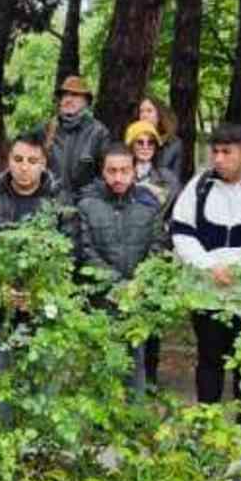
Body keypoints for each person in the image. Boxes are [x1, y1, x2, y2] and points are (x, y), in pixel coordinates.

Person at [169, 123, 241, 404]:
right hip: (207, 293)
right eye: (215, 151)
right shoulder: (199, 185)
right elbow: (182, 231)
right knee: (209, 358)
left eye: (226, 152)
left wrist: (236, 267)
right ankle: (207, 421)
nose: (218, 158)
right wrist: (209, 266)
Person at [74, 143, 164, 389]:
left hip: (137, 297)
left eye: (124, 170)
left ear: (134, 171)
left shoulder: (149, 207)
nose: (118, 177)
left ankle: (135, 418)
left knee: (135, 362)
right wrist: (115, 284)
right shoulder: (87, 206)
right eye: (111, 171)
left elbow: (157, 248)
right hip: (101, 299)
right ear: (103, 172)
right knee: (100, 364)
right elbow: (85, 250)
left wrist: (136, 285)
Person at [0, 133, 65, 225]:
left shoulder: (59, 199)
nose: (24, 168)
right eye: (18, 160)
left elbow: (71, 235)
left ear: (43, 164)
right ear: (9, 160)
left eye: (32, 161)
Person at [45, 76, 110, 198]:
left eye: (75, 95)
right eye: (65, 95)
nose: (68, 99)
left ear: (86, 101)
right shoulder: (47, 129)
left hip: (84, 204)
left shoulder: (98, 132)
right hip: (49, 203)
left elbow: (106, 175)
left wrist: (85, 197)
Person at [125, 120, 178, 217]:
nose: (146, 147)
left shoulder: (168, 177)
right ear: (131, 145)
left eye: (151, 143)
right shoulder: (120, 175)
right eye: (140, 142)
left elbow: (176, 210)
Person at [137, 96, 183, 188]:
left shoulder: (174, 143)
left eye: (149, 111)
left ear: (159, 114)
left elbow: (174, 180)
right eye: (141, 111)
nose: (144, 115)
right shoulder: (134, 138)